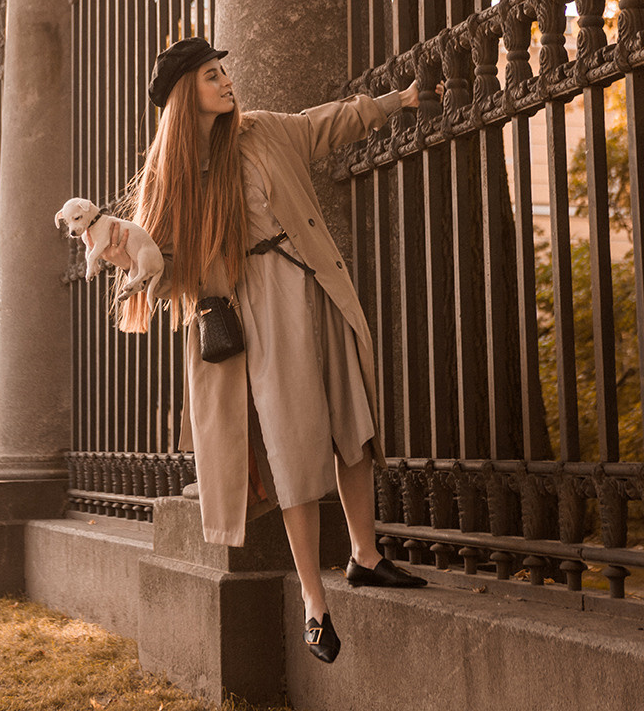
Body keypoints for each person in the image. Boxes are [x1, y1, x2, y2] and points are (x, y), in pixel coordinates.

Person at [105, 37, 438, 665]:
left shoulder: (260, 133)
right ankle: (315, 603)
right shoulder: (170, 177)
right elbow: (162, 264)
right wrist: (131, 256)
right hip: (258, 315)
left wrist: (398, 100)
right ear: (186, 96)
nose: (227, 83)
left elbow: (324, 124)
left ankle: (365, 556)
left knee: (354, 425)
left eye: (224, 72)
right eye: (212, 76)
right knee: (292, 452)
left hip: (314, 284)